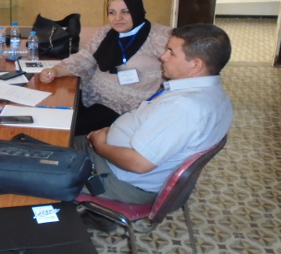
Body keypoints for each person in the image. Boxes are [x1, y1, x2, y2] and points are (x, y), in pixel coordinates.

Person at [74, 23, 233, 208]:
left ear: (195, 65)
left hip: (120, 180)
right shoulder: (213, 93)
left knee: (47, 164)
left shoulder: (184, 108)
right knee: (61, 141)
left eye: (171, 52)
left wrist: (100, 146)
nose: (163, 56)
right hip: (119, 163)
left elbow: (138, 164)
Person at [39, 0, 171, 135]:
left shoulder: (161, 37)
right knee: (48, 112)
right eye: (112, 12)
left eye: (125, 12)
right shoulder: (105, 32)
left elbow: (179, 69)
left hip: (123, 109)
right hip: (92, 97)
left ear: (137, 11)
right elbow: (83, 58)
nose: (118, 18)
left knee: (62, 128)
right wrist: (55, 71)